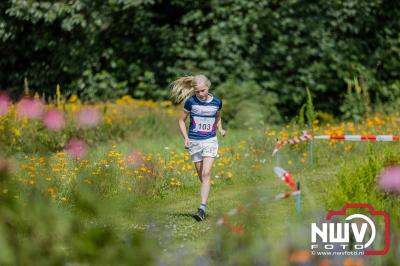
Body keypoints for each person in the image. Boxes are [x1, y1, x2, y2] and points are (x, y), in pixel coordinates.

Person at [171, 74, 225, 221]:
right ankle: (206, 191)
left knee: (206, 174)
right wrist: (186, 138)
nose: (200, 94)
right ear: (194, 91)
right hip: (195, 142)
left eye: (203, 90)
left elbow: (218, 116)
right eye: (197, 92)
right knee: (202, 176)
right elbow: (181, 121)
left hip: (210, 140)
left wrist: (220, 129)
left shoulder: (217, 102)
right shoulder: (190, 102)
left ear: (208, 87)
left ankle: (201, 208)